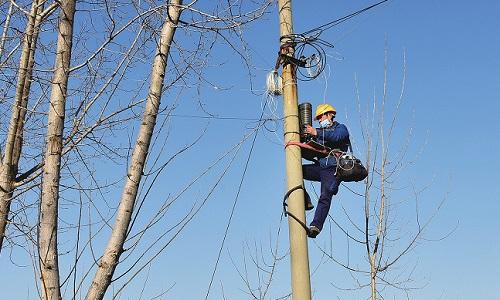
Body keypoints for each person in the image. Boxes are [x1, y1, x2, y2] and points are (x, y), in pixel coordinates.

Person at [302, 103, 350, 238]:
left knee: (325, 195)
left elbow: (337, 137)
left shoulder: (341, 128)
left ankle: (315, 226)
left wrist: (316, 132)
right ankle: (304, 199)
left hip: (334, 168)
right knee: (297, 172)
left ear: (330, 115)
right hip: (321, 167)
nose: (320, 120)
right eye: (318, 119)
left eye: (321, 117)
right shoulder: (319, 133)